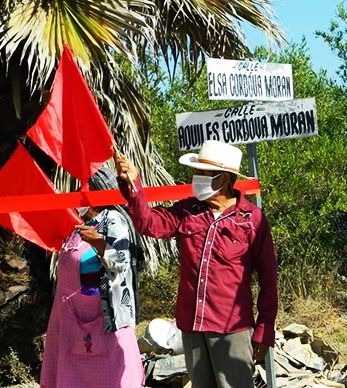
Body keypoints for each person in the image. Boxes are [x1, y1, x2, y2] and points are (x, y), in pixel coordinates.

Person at [114, 140, 278, 388]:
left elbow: (268, 279)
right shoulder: (187, 210)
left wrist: (264, 329)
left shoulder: (251, 220)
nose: (195, 178)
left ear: (222, 179)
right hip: (192, 325)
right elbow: (149, 223)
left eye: (201, 173)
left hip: (231, 329)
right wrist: (133, 185)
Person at [40, 167, 145, 388]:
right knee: (71, 376)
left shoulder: (113, 220)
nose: (80, 192)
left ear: (99, 192)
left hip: (102, 320)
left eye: (86, 187)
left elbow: (121, 261)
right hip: (70, 319)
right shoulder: (80, 223)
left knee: (111, 377)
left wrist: (99, 243)